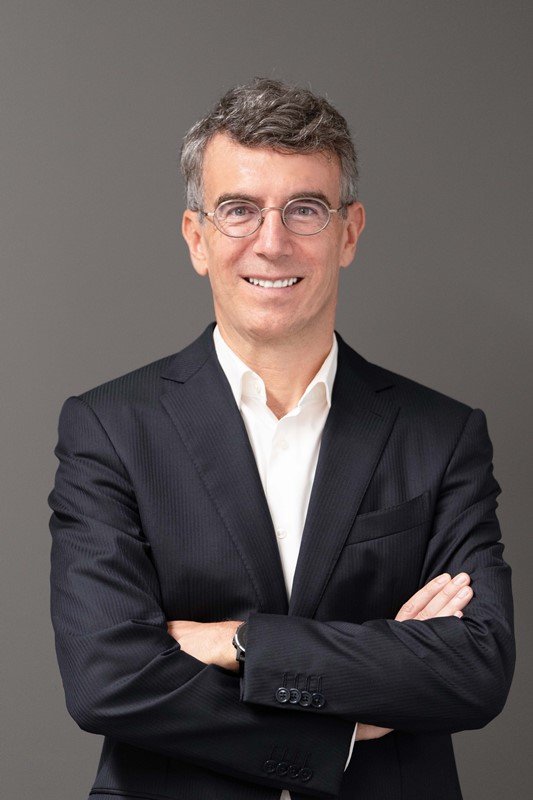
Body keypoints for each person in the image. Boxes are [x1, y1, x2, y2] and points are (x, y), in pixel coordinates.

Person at [48, 78, 515, 800]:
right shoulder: (110, 427)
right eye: (239, 210)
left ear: (348, 233)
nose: (271, 243)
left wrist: (237, 643)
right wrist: (338, 727)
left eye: (305, 210)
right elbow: (106, 680)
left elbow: (473, 669)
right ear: (197, 237)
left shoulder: (441, 435)